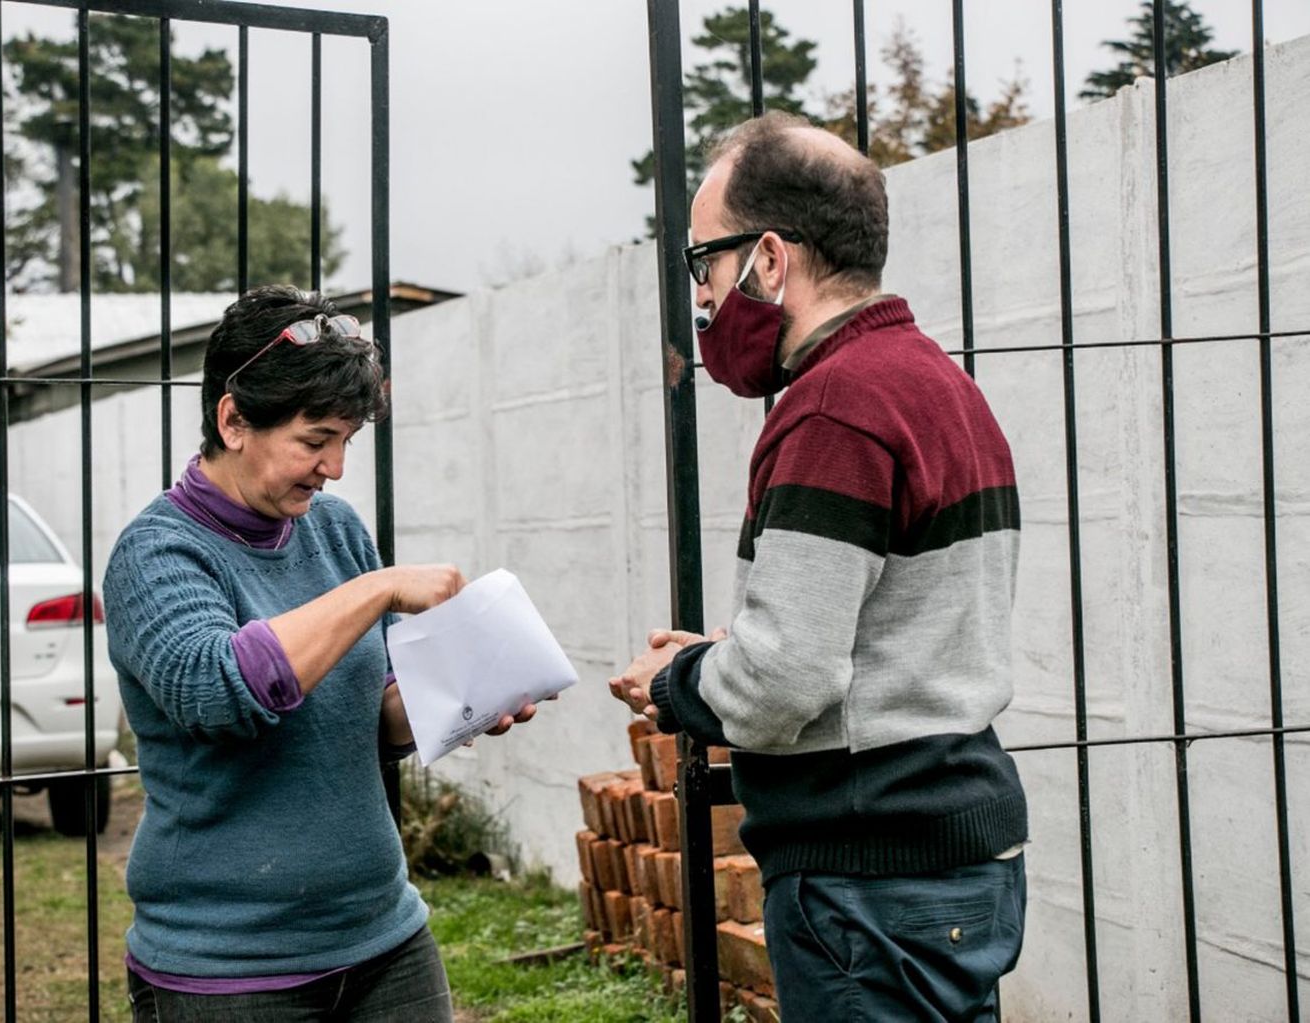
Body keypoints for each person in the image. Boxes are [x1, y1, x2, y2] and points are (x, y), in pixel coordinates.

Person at [609, 111, 1028, 1021]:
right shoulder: (936, 382)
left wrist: (677, 680)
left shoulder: (832, 407)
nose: (706, 300)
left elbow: (782, 682)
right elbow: (889, 632)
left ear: (767, 258)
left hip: (868, 877)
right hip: (954, 855)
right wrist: (736, 649)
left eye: (704, 265)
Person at [104, 285, 537, 1022]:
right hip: (231, 968)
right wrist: (376, 590)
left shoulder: (334, 529)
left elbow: (367, 721)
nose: (334, 466)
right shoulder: (155, 553)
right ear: (234, 420)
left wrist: (456, 700)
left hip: (382, 935)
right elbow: (220, 690)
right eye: (314, 440)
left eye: (345, 441)